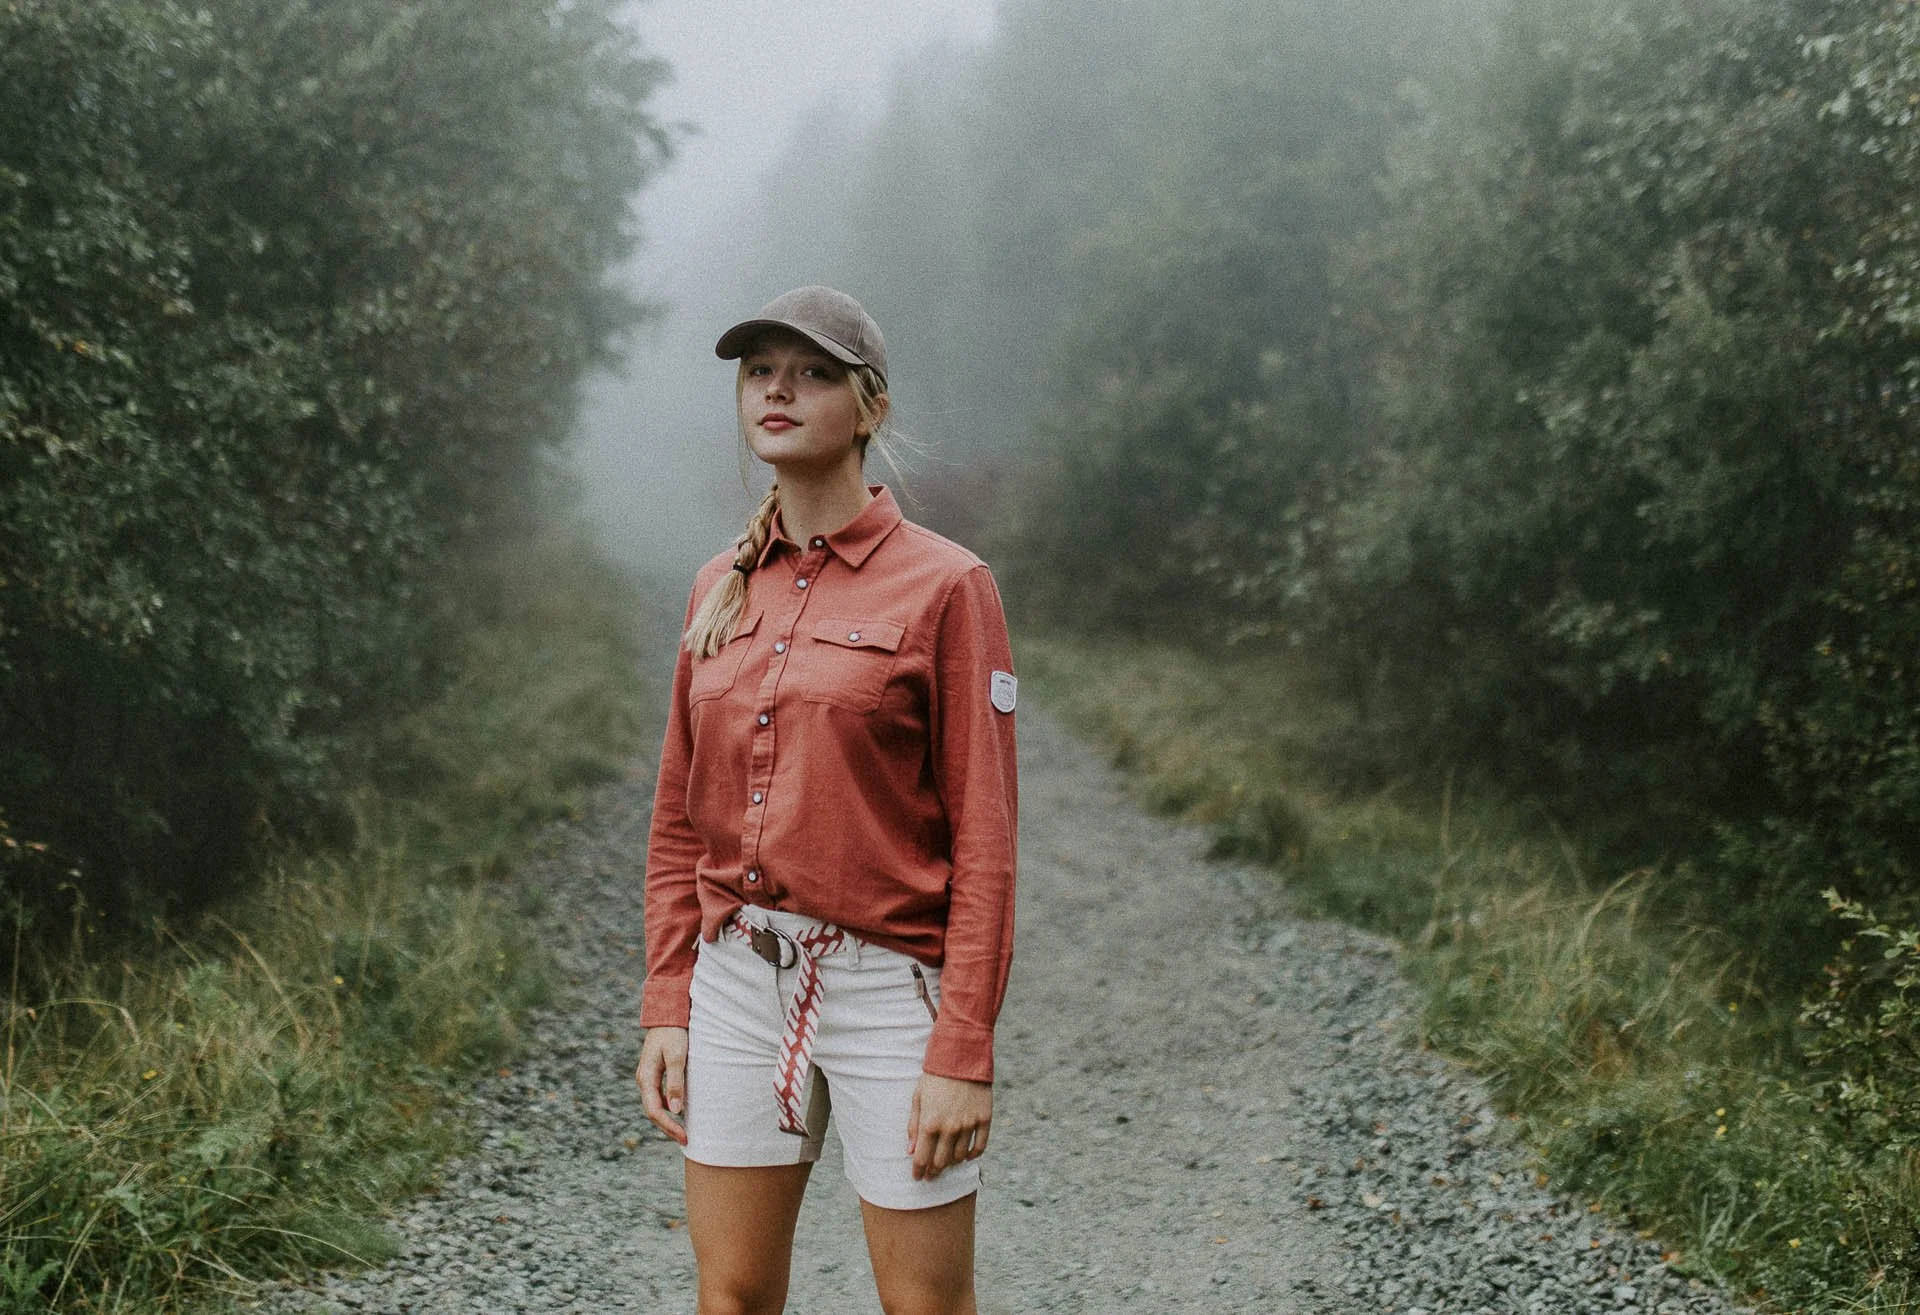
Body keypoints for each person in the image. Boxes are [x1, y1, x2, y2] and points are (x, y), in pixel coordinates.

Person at [634, 286, 1018, 1315]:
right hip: (735, 980)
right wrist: (669, 1001)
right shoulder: (718, 584)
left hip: (889, 990)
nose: (778, 390)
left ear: (870, 406)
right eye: (761, 372)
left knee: (925, 1306)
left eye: (810, 373)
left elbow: (985, 840)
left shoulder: (947, 586)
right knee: (733, 1297)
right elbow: (679, 818)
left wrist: (963, 1049)